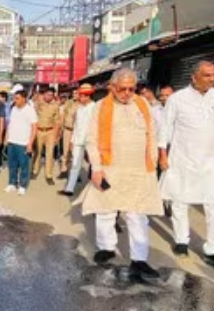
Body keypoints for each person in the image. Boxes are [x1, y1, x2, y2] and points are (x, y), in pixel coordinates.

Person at [79, 69, 162, 280]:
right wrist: (96, 168)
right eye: (122, 89)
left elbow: (152, 133)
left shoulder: (143, 105)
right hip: (110, 167)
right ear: (112, 87)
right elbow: (91, 139)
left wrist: (152, 163)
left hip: (139, 168)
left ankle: (139, 260)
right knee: (106, 209)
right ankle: (107, 247)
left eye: (131, 89)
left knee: (138, 214)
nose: (127, 93)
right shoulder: (100, 107)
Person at [159, 61, 214, 271]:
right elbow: (165, 127)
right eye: (207, 75)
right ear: (194, 77)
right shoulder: (177, 99)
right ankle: (181, 240)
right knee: (179, 200)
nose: (213, 79)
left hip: (211, 160)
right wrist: (162, 153)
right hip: (182, 158)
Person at [60, 84, 95, 197]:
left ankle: (94, 190)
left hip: (90, 141)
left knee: (94, 165)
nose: (79, 98)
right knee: (75, 164)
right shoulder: (79, 108)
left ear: (87, 96)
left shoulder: (94, 108)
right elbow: (77, 125)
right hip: (78, 141)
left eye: (81, 96)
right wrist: (72, 140)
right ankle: (69, 189)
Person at [5, 90, 37, 195]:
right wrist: (7, 137)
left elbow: (34, 128)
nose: (15, 100)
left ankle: (23, 186)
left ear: (24, 99)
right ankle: (12, 184)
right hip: (12, 142)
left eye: (17, 98)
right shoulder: (13, 109)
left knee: (24, 165)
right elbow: (10, 124)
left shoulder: (30, 110)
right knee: (12, 164)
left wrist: (30, 144)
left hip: (23, 143)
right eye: (14, 98)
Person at [32, 88, 62, 185]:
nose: (49, 97)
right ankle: (34, 171)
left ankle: (48, 175)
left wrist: (57, 135)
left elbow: (57, 121)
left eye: (51, 95)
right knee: (37, 152)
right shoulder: (38, 103)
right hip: (39, 131)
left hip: (50, 132)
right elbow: (32, 116)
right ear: (44, 94)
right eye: (47, 94)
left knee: (50, 154)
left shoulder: (55, 106)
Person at [59, 88, 81, 179]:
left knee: (76, 152)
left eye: (76, 93)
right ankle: (64, 171)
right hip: (67, 130)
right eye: (73, 93)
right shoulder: (68, 103)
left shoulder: (82, 104)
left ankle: (76, 173)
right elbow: (63, 116)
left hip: (77, 131)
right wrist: (61, 129)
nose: (75, 94)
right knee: (65, 151)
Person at [0, 90, 9, 174]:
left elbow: (8, 120)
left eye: (0, 97)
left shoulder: (8, 107)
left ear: (4, 98)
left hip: (4, 129)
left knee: (0, 147)